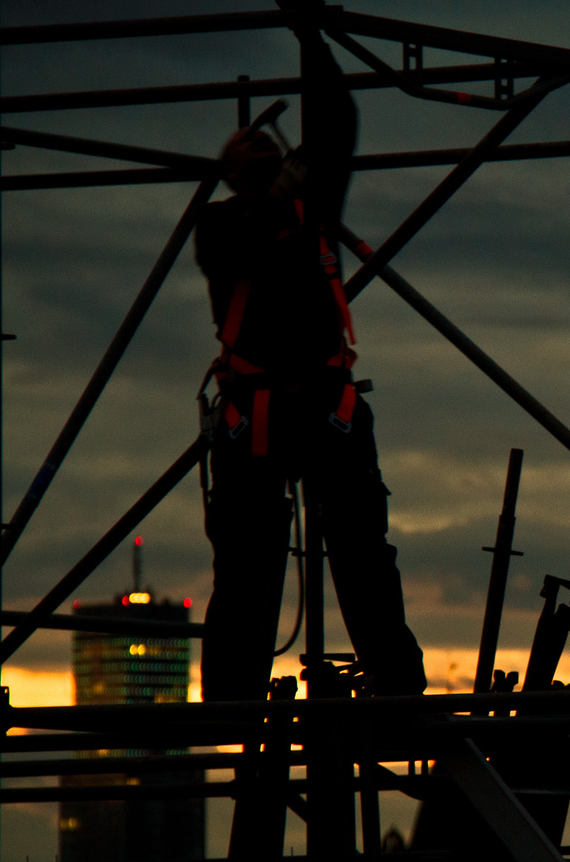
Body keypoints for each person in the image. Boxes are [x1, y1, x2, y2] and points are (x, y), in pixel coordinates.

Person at [194, 8, 424, 702]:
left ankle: (394, 687)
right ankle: (234, 697)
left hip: (313, 408)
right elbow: (313, 159)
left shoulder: (300, 209)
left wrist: (311, 41)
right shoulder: (227, 228)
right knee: (250, 564)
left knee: (357, 558)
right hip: (267, 413)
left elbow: (336, 123)